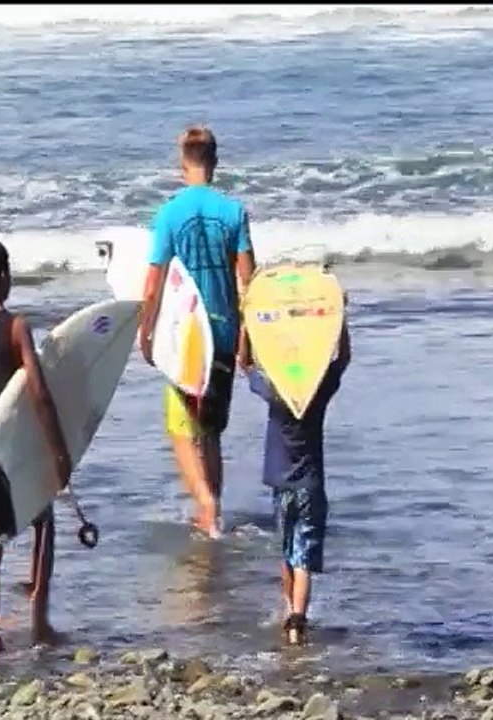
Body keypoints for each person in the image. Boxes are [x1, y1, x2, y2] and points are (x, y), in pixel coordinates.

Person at [138, 125, 256, 537]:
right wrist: (247, 340)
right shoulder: (234, 212)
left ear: (181, 165)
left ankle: (205, 504)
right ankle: (214, 512)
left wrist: (145, 332)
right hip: (223, 332)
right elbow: (249, 284)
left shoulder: (169, 214)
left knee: (180, 428)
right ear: (216, 163)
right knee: (210, 430)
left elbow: (153, 285)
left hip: (186, 335)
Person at [0, 237, 72, 651]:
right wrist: (58, 449)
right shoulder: (16, 326)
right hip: (17, 450)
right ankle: (39, 624)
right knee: (43, 526)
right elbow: (38, 392)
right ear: (4, 275)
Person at [243, 312, 351, 646]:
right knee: (304, 554)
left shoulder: (276, 391)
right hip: (310, 486)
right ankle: (297, 619)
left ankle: (289, 611)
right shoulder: (316, 391)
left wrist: (247, 324)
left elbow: (244, 363)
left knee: (287, 551)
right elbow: (343, 358)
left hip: (280, 485)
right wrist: (339, 319)